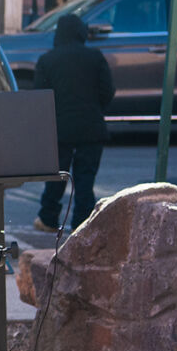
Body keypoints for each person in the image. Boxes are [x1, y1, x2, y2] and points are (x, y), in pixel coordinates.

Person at [32, 13, 114, 233]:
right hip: (91, 127)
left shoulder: (47, 60)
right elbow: (108, 92)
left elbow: (40, 95)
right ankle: (81, 222)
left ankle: (48, 217)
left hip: (60, 129)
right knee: (85, 179)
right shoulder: (95, 57)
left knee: (57, 175)